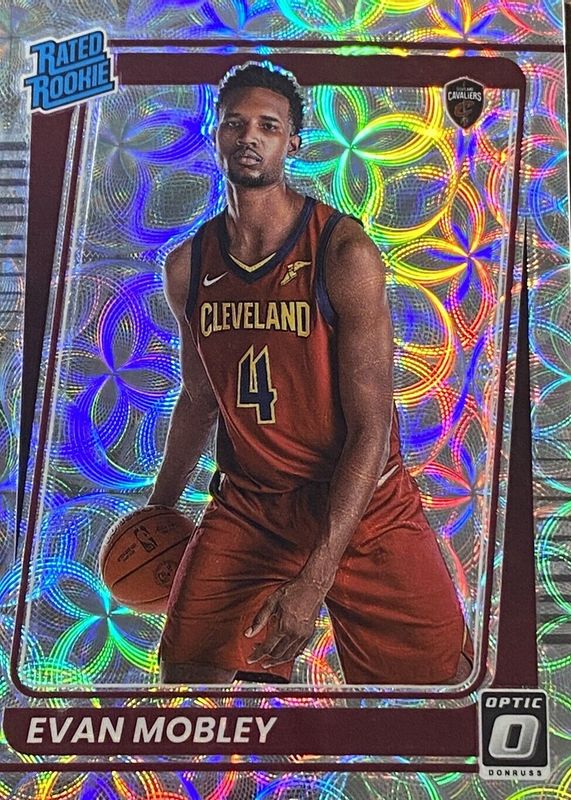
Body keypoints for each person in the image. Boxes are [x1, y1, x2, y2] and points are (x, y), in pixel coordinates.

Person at [149, 62, 472, 685]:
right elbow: (198, 399)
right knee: (190, 686)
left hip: (363, 502)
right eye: (236, 123)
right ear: (216, 135)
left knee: (435, 695)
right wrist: (158, 511)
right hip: (253, 506)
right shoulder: (189, 264)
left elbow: (372, 426)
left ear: (292, 142)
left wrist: (316, 575)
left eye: (268, 126)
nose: (250, 136)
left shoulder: (342, 251)